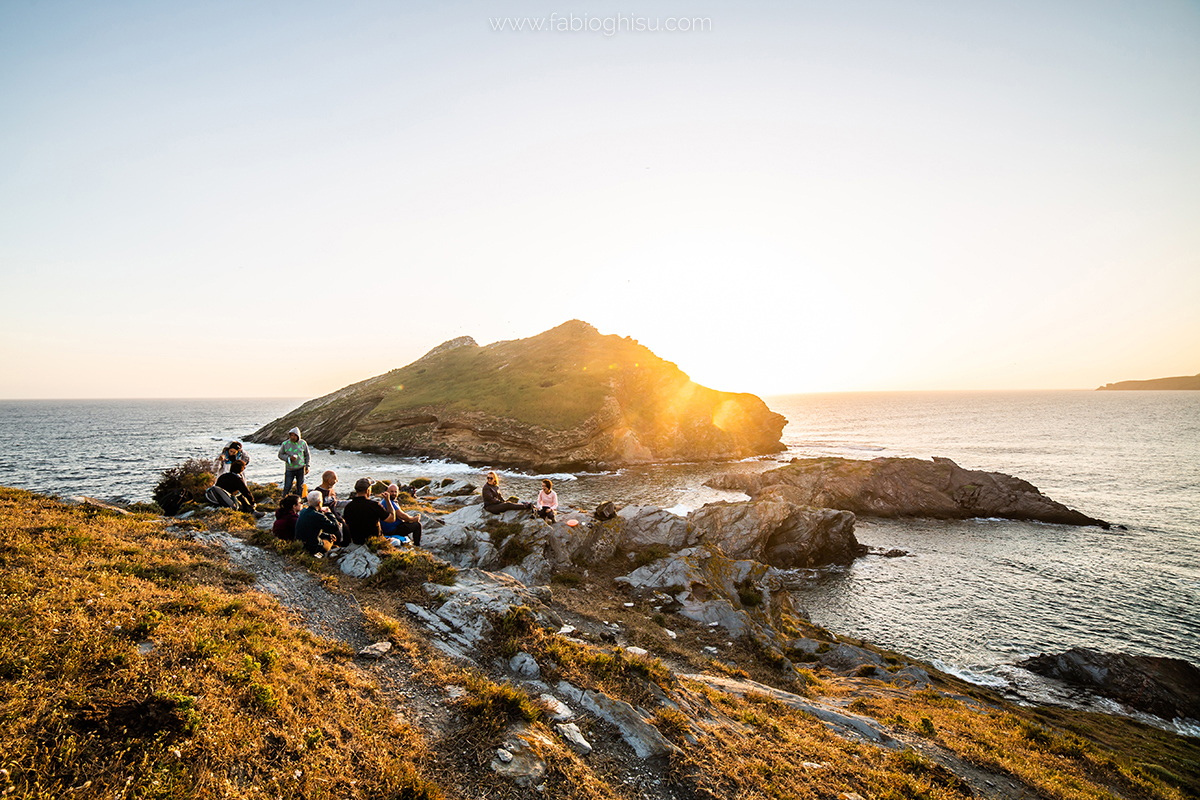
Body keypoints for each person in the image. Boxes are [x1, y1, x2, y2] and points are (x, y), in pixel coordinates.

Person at [341, 477, 395, 546]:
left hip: (357, 541)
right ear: (367, 490)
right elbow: (392, 518)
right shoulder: (374, 505)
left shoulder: (348, 507)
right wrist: (388, 501)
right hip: (374, 542)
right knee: (397, 541)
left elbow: (348, 526)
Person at [295, 490, 340, 556]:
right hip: (312, 547)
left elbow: (311, 531)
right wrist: (329, 513)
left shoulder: (303, 511)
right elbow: (336, 527)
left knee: (327, 536)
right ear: (319, 503)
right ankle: (327, 551)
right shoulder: (318, 516)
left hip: (301, 543)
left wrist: (327, 535)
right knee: (331, 540)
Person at [277, 427, 310, 498]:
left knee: (300, 487)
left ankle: (299, 502)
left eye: (295, 435)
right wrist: (288, 458)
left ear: (298, 436)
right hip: (290, 469)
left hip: (300, 468)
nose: (293, 437)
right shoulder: (285, 444)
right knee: (287, 486)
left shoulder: (303, 443)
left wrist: (307, 466)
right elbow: (280, 455)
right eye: (291, 435)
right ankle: (284, 501)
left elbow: (307, 455)